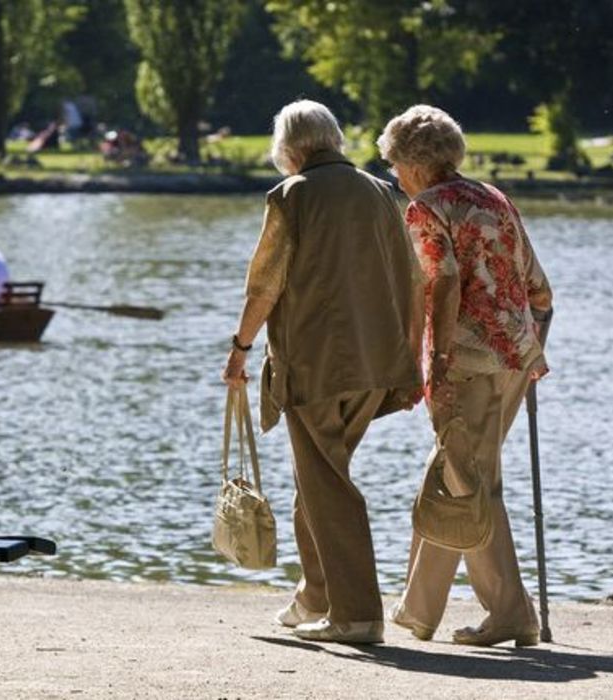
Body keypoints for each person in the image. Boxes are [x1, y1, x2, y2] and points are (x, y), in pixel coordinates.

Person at [221, 100, 424, 644]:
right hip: (376, 365)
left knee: (328, 487)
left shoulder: (293, 195)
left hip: (315, 365)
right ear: (331, 139)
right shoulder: (382, 192)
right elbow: (412, 280)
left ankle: (356, 615)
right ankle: (315, 595)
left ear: (291, 149)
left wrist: (240, 348)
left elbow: (264, 285)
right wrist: (410, 361)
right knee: (318, 479)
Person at [377, 104, 553, 647]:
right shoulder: (493, 199)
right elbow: (538, 287)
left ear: (415, 164)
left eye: (395, 166)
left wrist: (435, 364)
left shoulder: (427, 209)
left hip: (469, 364)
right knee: (459, 476)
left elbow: (444, 286)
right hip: (515, 356)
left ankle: (510, 613)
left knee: (466, 482)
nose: (395, 177)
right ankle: (418, 610)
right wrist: (531, 352)